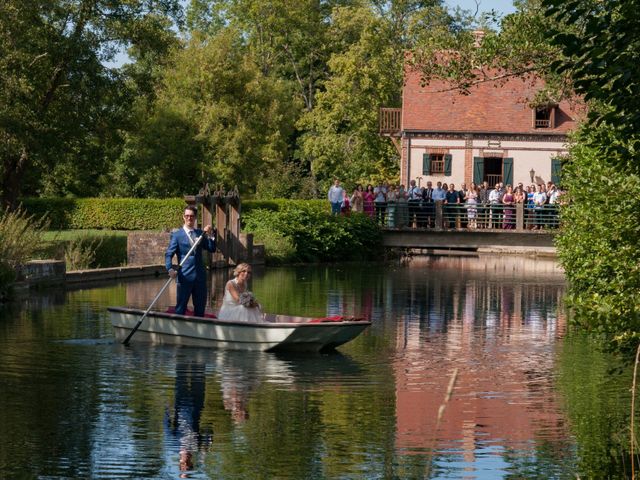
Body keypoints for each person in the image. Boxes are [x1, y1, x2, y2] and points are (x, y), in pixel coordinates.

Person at [165, 206, 216, 317]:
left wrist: (211, 235)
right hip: (184, 276)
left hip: (200, 277)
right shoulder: (177, 235)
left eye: (192, 216)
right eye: (187, 216)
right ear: (183, 217)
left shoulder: (200, 233)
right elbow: (169, 254)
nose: (189, 218)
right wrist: (169, 269)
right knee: (181, 307)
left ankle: (199, 332)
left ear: (195, 217)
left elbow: (212, 249)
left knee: (200, 309)